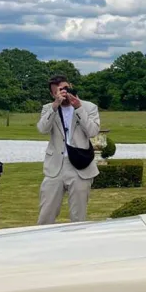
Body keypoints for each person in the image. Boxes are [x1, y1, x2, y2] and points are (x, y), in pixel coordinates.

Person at [36, 74, 101, 225]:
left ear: (71, 86)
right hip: (55, 166)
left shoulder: (89, 107)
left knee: (78, 217)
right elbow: (42, 129)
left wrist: (78, 108)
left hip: (80, 166)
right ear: (53, 94)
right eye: (58, 91)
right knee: (46, 214)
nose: (63, 92)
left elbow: (92, 132)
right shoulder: (48, 108)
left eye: (65, 88)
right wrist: (55, 106)